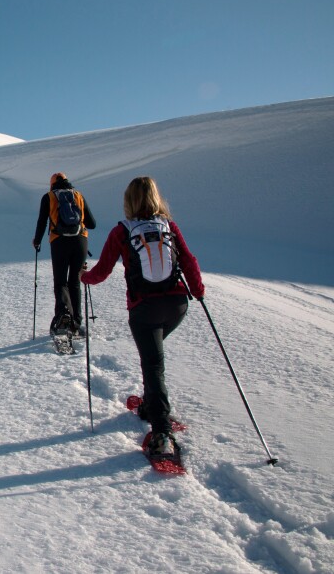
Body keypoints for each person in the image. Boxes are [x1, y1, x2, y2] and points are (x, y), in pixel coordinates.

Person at [80, 176, 205, 457]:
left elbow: (102, 271)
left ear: (129, 201)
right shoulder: (169, 227)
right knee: (153, 358)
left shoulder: (122, 231)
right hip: (177, 305)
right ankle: (151, 404)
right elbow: (188, 260)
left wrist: (83, 277)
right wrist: (197, 291)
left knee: (153, 363)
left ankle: (162, 432)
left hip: (144, 309)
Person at [33, 172, 97, 336]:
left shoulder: (49, 197)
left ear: (52, 184)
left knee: (60, 281)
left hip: (59, 241)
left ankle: (62, 317)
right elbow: (92, 223)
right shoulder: (78, 195)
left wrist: (37, 240)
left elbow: (42, 221)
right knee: (74, 281)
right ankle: (76, 322)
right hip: (80, 241)